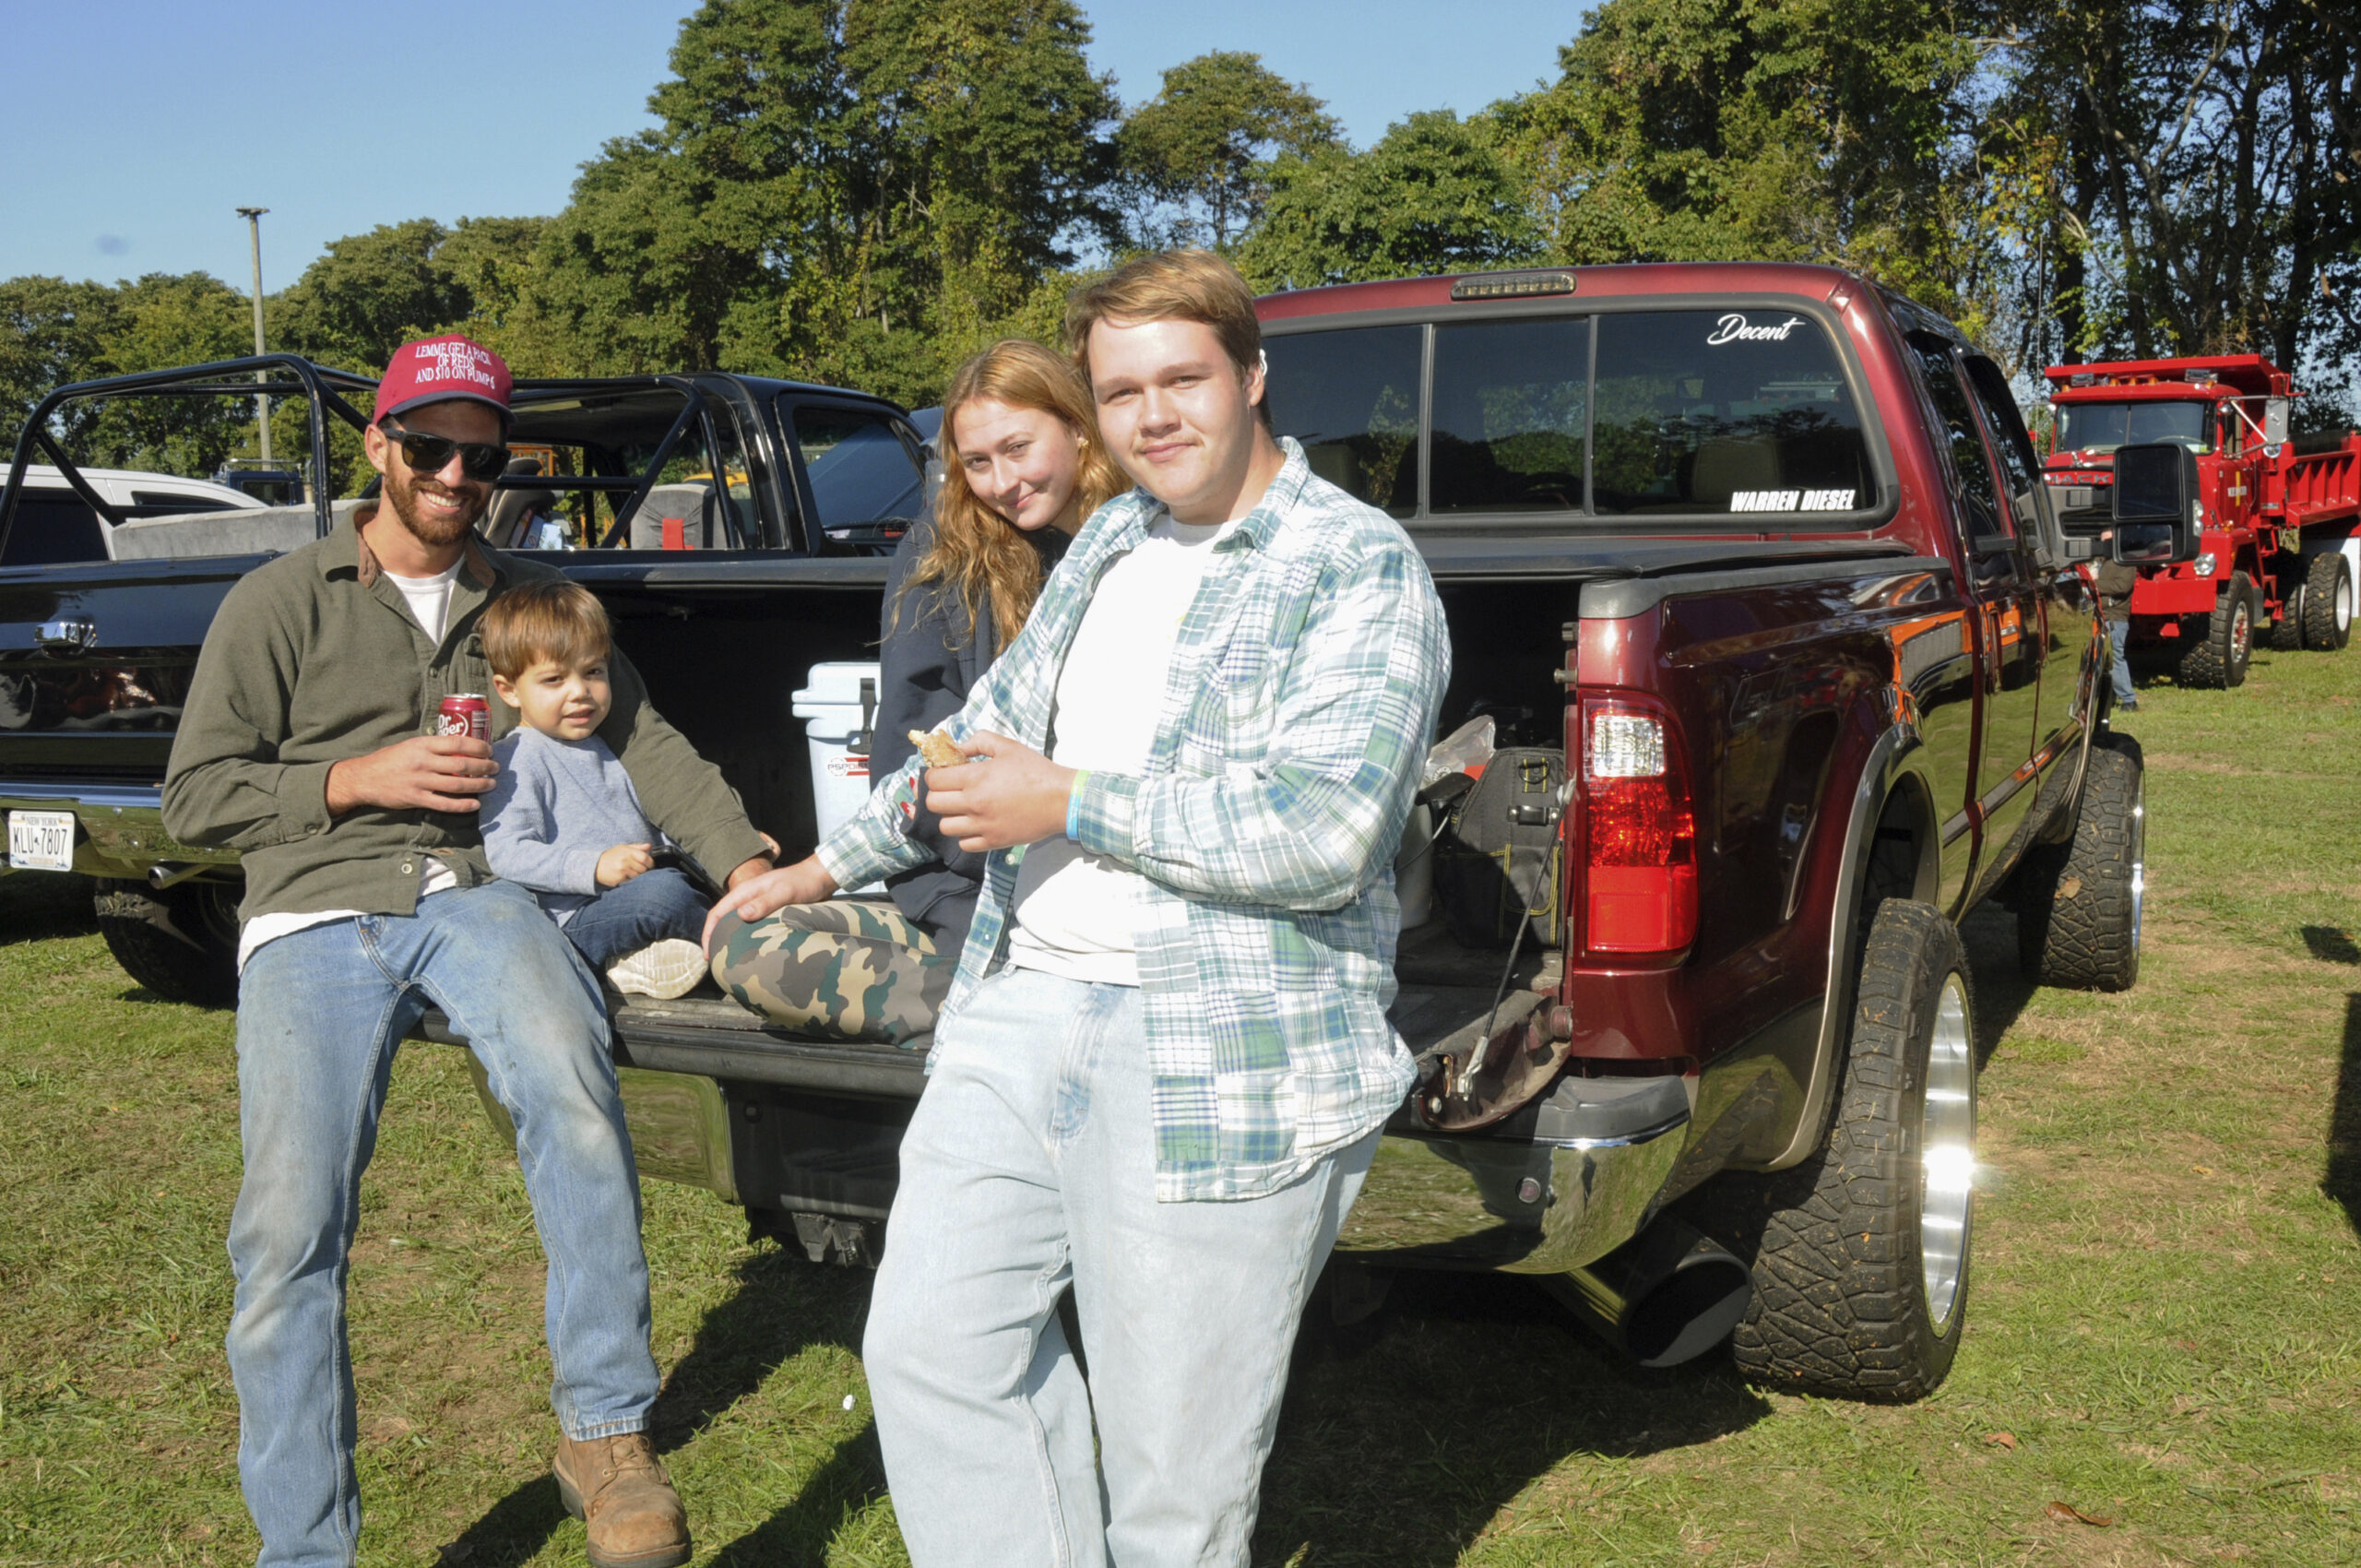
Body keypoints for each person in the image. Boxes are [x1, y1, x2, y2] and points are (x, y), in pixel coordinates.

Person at [712, 251, 1452, 1564]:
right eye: (1123, 392)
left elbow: (1326, 833)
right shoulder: (1113, 537)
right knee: (935, 1352)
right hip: (1020, 1007)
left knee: (1176, 1480)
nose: (1155, 415)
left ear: (1253, 378)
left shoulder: (1356, 567)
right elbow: (980, 744)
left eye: (1184, 379)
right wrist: (821, 873)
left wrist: (1075, 803)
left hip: (1220, 1045)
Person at [162, 333, 774, 1568]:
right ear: (381, 446)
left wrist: (748, 866)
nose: (454, 471)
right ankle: (305, 1548)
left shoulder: (526, 605)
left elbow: (654, 748)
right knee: (289, 1225)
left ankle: (604, 1437)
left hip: (479, 894)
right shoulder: (280, 602)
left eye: (479, 453)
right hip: (316, 905)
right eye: (430, 444)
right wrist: (349, 779)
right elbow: (193, 798)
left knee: (577, 1096)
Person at [708, 339, 1125, 1043]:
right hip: (970, 889)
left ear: (1079, 427)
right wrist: (813, 873)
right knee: (748, 945)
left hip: (1112, 887)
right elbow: (933, 760)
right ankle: (1008, 1016)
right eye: (979, 462)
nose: (1001, 481)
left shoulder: (1150, 547)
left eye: (1019, 448)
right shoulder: (947, 547)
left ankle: (1025, 1015)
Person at [481, 578, 715, 1000]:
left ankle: (639, 964)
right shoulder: (516, 758)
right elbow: (507, 853)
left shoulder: (608, 748)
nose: (580, 692)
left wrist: (707, 861)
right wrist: (592, 867)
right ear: (509, 690)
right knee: (664, 897)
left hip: (631, 897)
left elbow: (652, 834)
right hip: (573, 921)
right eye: (554, 679)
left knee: (686, 887)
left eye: (593, 672)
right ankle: (737, 950)